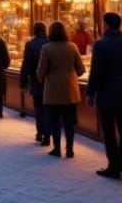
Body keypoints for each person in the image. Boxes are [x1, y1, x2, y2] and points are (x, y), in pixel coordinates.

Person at [87, 11, 122, 179]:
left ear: (106, 25)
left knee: (109, 130)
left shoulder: (101, 45)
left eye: (103, 23)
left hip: (107, 94)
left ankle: (113, 166)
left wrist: (91, 92)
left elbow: (96, 72)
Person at [37, 21, 85, 158]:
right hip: (70, 89)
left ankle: (57, 148)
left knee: (54, 121)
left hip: (52, 90)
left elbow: (41, 71)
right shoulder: (73, 46)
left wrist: (41, 78)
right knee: (69, 121)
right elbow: (81, 70)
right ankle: (70, 149)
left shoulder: (46, 48)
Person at [20, 22, 50, 145]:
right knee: (49, 109)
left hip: (36, 81)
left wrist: (23, 80)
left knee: (39, 108)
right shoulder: (50, 42)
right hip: (50, 81)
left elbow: (26, 63)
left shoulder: (31, 44)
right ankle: (48, 134)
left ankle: (41, 133)